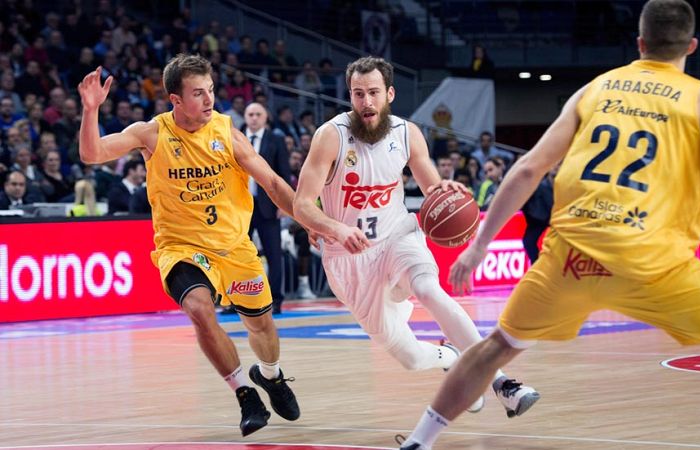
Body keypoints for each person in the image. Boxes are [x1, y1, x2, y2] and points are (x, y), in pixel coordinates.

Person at [399, 2, 700, 448]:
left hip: (572, 258)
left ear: (640, 43)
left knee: (496, 348)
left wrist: (478, 246)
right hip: (654, 263)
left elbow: (529, 168)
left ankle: (419, 441)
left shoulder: (595, 90)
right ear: (691, 46)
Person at [293, 56, 539, 417]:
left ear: (390, 94)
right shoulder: (331, 136)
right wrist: (336, 228)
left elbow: (432, 188)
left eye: (373, 92)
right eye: (358, 94)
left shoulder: (406, 134)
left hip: (397, 236)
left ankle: (502, 382)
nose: (366, 102)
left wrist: (447, 191)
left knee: (428, 289)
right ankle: (450, 357)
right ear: (350, 96)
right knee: (409, 357)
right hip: (350, 259)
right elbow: (301, 204)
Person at [77, 54, 306, 437]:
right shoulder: (152, 133)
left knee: (262, 326)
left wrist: (311, 220)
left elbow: (272, 183)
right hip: (180, 247)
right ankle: (245, 393)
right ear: (176, 99)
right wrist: (90, 110)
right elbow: (92, 153)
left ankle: (270, 375)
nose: (209, 98)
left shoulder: (227, 131)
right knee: (200, 309)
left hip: (234, 247)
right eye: (198, 93)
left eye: (211, 90)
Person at [244, 102, 292, 314]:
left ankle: (276, 300)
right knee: (238, 256)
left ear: (265, 117)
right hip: (241, 207)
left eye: (258, 114)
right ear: (245, 117)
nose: (254, 118)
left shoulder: (276, 140)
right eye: (250, 114)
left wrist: (284, 203)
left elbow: (284, 172)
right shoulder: (236, 138)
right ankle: (238, 301)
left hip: (268, 206)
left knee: (274, 254)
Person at [521, 162, 558, 264]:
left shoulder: (565, 188)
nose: (556, 167)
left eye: (559, 165)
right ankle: (537, 263)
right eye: (555, 164)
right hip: (540, 221)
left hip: (558, 222)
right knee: (529, 240)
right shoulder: (539, 186)